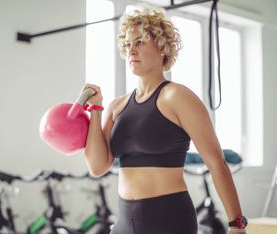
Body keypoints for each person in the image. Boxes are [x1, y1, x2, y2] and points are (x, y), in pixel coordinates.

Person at [82, 4, 246, 234]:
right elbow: (98, 167)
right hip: (124, 224)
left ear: (162, 47)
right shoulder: (116, 106)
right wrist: (96, 110)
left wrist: (236, 224)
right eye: (128, 45)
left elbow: (216, 163)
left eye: (139, 42)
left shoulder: (177, 97)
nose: (131, 50)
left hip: (169, 221)